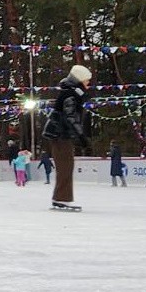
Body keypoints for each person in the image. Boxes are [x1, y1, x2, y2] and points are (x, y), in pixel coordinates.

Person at [42, 64, 92, 210]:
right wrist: (82, 136)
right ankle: (61, 199)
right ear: (79, 80)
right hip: (60, 135)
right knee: (65, 167)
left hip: (61, 135)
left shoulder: (71, 93)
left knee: (66, 167)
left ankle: (61, 198)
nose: (88, 83)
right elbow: (70, 117)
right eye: (86, 80)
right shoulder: (70, 95)